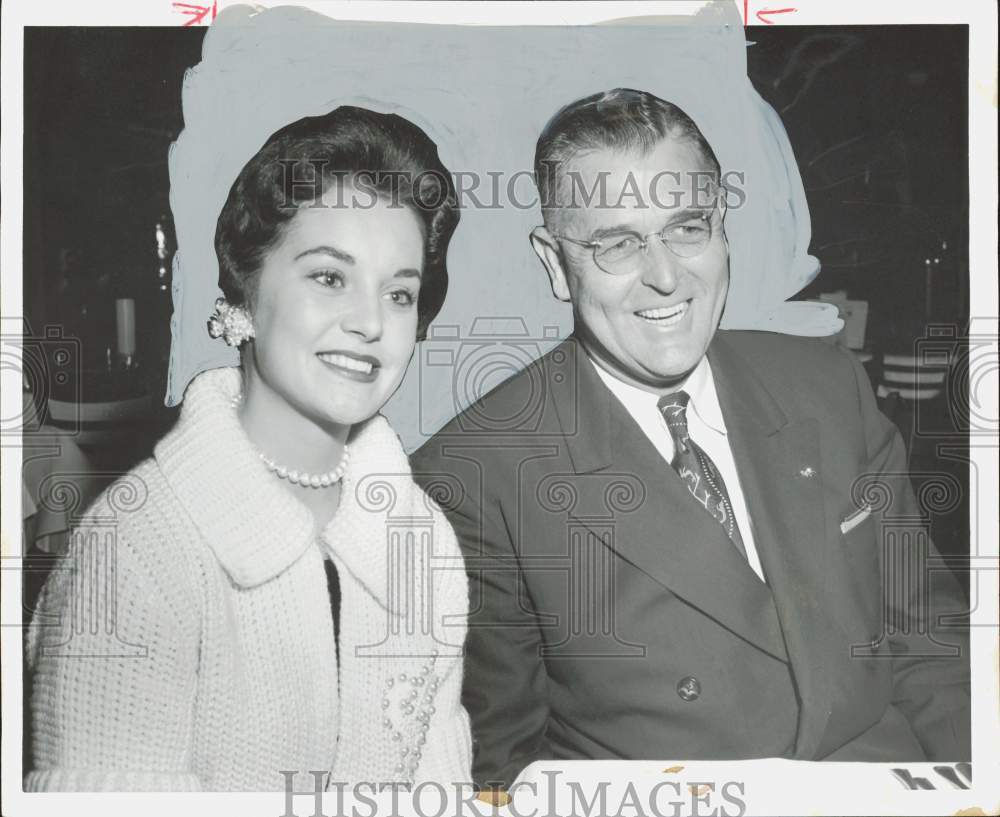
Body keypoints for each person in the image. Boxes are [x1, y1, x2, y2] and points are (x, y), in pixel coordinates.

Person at [412, 88, 970, 790]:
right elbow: (501, 773)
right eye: (618, 243)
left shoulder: (825, 386)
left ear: (721, 229)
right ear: (556, 263)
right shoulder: (474, 474)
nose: (666, 275)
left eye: (687, 228)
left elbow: (930, 641)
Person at [25, 107, 471, 791]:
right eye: (329, 277)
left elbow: (443, 793)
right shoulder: (135, 545)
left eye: (400, 292)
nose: (370, 322)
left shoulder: (421, 539)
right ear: (247, 288)